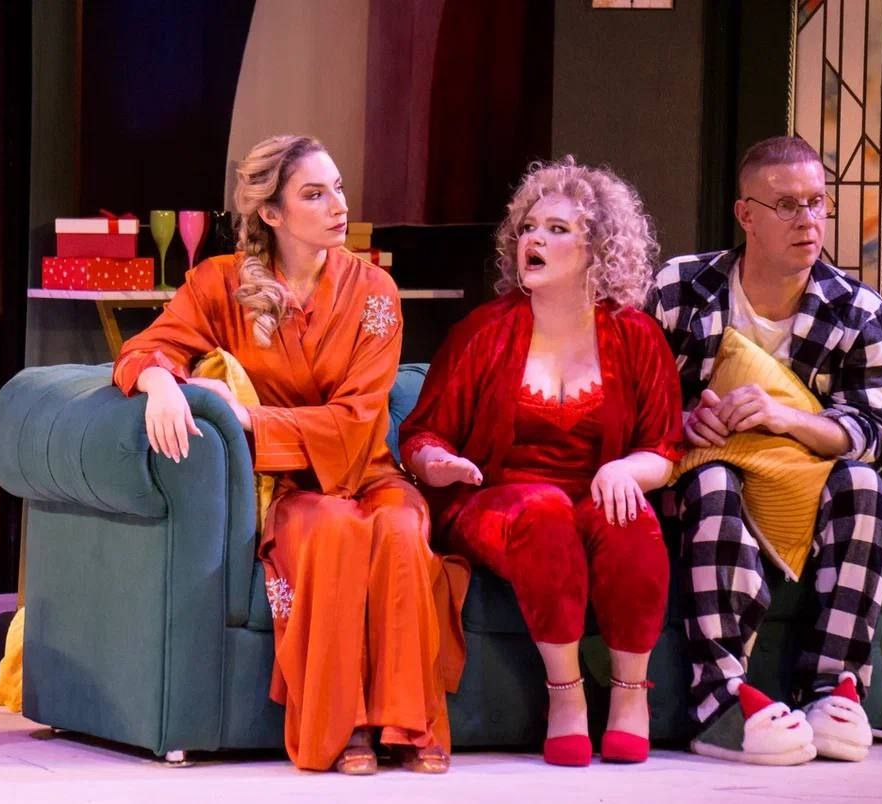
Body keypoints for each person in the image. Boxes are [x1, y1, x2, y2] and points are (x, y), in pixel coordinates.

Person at [112, 134, 468, 775]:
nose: (338, 205)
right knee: (330, 529)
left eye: (338, 188)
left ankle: (407, 721)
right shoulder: (220, 283)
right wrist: (161, 382)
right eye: (314, 194)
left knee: (399, 527)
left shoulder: (375, 291)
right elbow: (146, 348)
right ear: (272, 213)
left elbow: (359, 419)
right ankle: (345, 726)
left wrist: (249, 418)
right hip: (287, 484)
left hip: (367, 470)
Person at [400, 158, 683, 766]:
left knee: (631, 519)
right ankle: (567, 695)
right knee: (545, 510)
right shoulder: (484, 330)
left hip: (596, 494)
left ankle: (631, 694)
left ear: (598, 248)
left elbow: (664, 448)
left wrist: (626, 469)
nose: (534, 239)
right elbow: (421, 435)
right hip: (498, 500)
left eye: (557, 230)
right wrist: (441, 463)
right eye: (529, 228)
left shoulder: (636, 335)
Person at [647, 135, 882, 765]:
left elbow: (873, 431)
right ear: (746, 215)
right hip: (702, 476)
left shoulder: (857, 309)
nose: (808, 220)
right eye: (786, 205)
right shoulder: (680, 288)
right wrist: (682, 420)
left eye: (818, 202)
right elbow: (629, 397)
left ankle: (834, 690)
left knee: (864, 486)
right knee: (714, 482)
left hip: (802, 485)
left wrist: (786, 417)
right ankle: (719, 701)